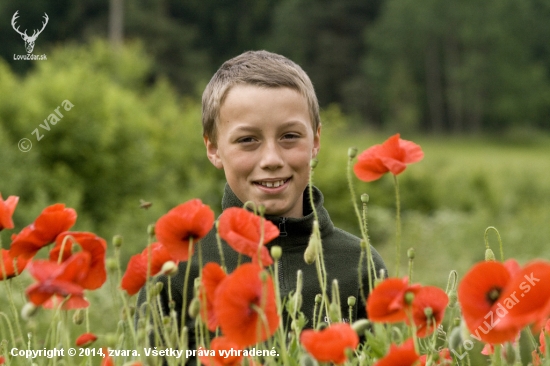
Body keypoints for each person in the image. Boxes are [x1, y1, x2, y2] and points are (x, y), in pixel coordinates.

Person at [136, 50, 387, 362]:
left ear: (316, 141)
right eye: (247, 140)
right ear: (213, 148)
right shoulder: (181, 269)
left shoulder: (359, 265)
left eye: (289, 136)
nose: (271, 160)